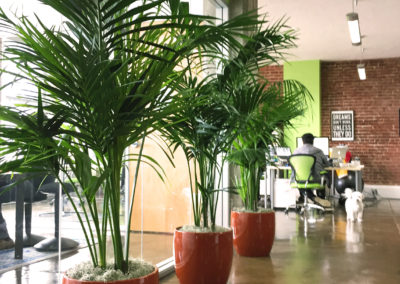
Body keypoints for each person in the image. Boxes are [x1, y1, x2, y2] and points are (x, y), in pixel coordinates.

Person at [292, 133, 331, 208]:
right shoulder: (319, 151)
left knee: (302, 182)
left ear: (302, 141)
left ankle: (310, 198)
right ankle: (320, 199)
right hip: (316, 179)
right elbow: (327, 164)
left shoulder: (296, 152)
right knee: (324, 176)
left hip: (299, 180)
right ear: (313, 141)